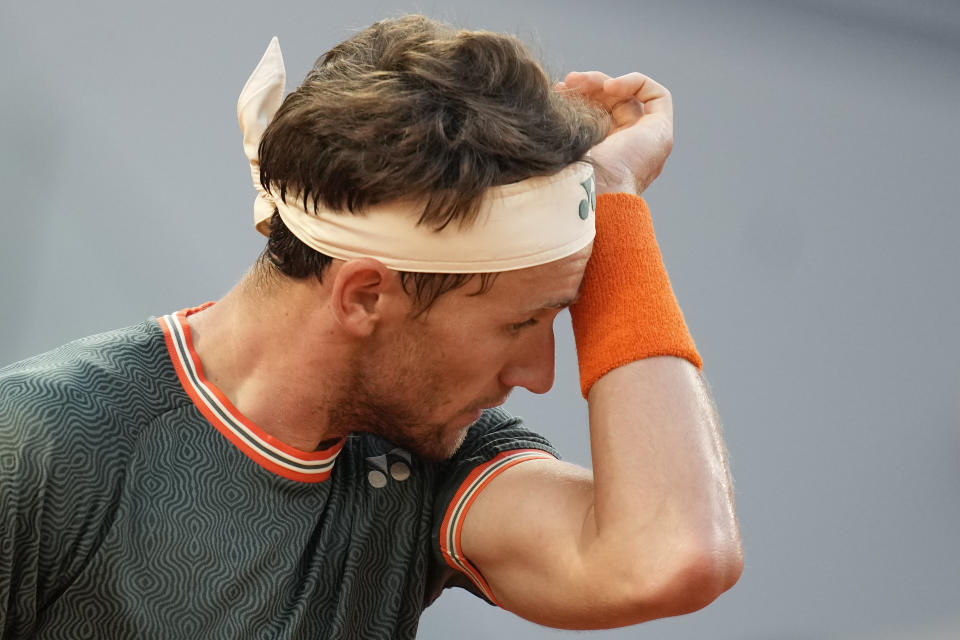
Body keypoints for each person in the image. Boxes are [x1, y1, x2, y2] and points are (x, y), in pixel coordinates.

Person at [0, 14, 742, 639]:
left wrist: (612, 207)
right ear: (361, 296)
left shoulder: (429, 460)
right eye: (521, 322)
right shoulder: (41, 442)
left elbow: (670, 554)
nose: (540, 374)